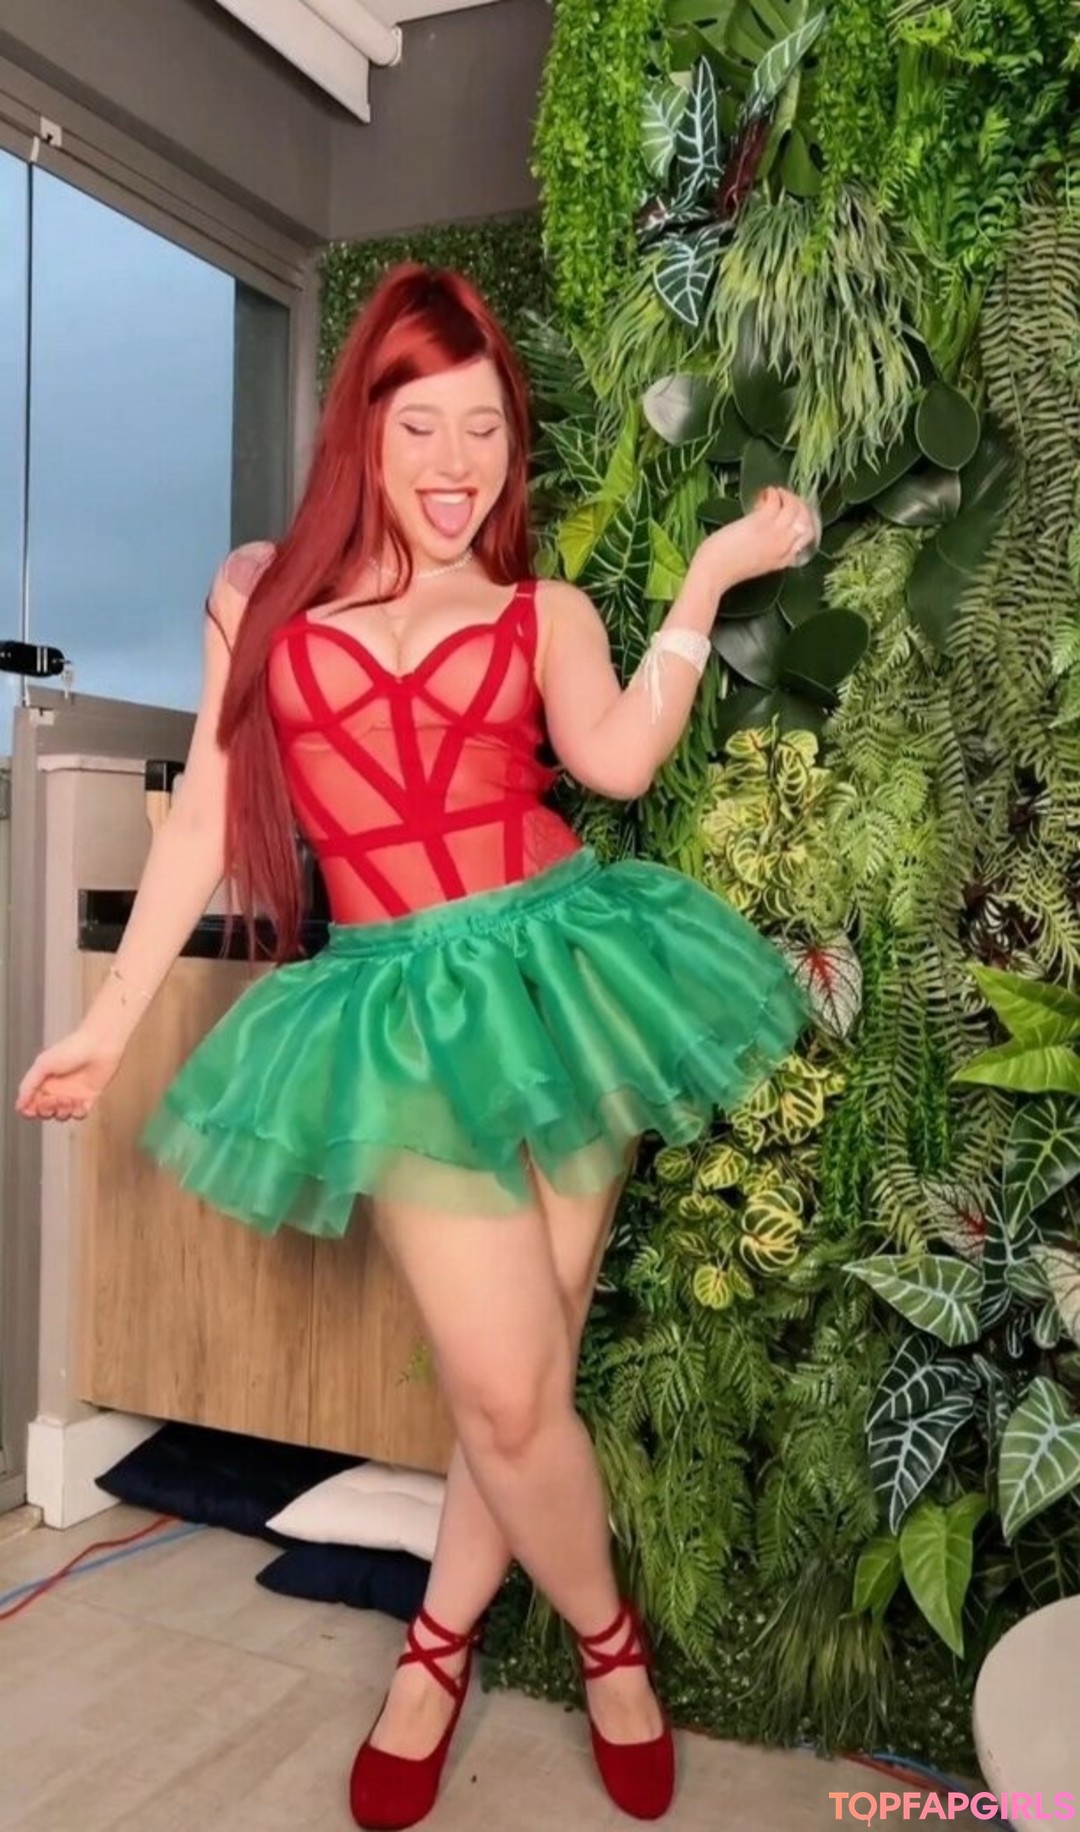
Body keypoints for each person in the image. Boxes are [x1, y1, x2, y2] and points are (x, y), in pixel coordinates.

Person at [17, 265, 815, 1828]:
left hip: (568, 977)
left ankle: (436, 1651)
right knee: (509, 1393)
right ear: (362, 432)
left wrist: (710, 579)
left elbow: (616, 762)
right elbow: (205, 828)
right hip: (395, 1013)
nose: (457, 465)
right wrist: (110, 1028)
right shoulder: (260, 600)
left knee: (523, 1385)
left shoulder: (542, 612)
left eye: (486, 430)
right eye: (421, 426)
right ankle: (610, 1645)